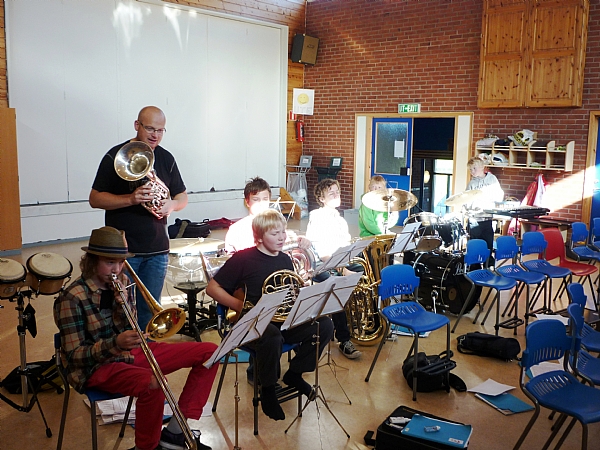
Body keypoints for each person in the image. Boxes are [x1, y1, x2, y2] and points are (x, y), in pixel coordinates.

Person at [54, 226, 218, 450]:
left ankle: (175, 433)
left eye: (121, 262)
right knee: (154, 383)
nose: (117, 269)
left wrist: (123, 306)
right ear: (91, 261)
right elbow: (74, 356)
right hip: (95, 367)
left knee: (209, 352)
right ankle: (146, 447)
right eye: (110, 262)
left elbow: (128, 326)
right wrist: (115, 343)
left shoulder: (123, 282)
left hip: (128, 353)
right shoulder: (72, 297)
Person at [206, 209, 334, 422]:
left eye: (283, 232)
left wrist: (303, 296)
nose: (282, 237)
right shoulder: (242, 259)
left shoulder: (284, 259)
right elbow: (212, 288)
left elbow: (289, 293)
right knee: (272, 336)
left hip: (281, 319)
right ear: (259, 236)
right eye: (275, 234)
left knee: (324, 325)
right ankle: (268, 389)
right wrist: (241, 306)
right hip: (252, 321)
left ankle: (295, 374)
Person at [89, 106, 188, 332]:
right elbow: (95, 199)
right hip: (123, 251)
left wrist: (172, 205)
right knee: (120, 311)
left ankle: (147, 351)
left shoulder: (166, 158)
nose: (155, 135)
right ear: (137, 125)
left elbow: (182, 196)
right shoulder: (116, 156)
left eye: (161, 130)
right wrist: (130, 199)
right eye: (150, 129)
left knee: (149, 312)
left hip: (157, 249)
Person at [305, 178, 362, 360]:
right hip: (322, 265)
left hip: (340, 262)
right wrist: (343, 269)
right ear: (322, 198)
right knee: (337, 285)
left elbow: (345, 247)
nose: (337, 195)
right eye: (332, 193)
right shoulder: (317, 217)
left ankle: (363, 324)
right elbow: (322, 254)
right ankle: (344, 338)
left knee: (364, 271)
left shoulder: (340, 219)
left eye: (337, 191)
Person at [225, 176, 310, 253]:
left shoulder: (278, 224)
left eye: (265, 199)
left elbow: (291, 249)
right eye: (256, 199)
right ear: (247, 202)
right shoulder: (236, 230)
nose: (261, 203)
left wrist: (301, 242)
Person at [465, 156, 504, 254]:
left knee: (488, 246)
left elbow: (499, 195)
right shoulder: (471, 183)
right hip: (475, 219)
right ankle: (475, 263)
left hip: (487, 218)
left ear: (482, 167)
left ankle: (488, 263)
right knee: (475, 246)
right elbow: (466, 200)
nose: (472, 171)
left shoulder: (492, 179)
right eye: (470, 169)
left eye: (474, 168)